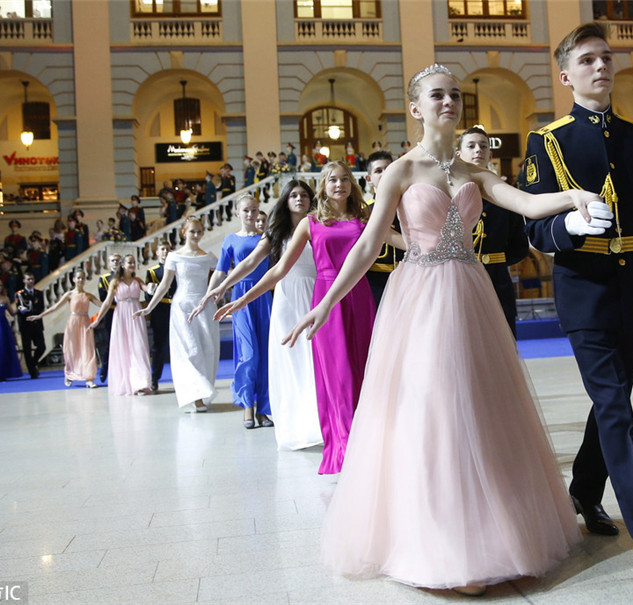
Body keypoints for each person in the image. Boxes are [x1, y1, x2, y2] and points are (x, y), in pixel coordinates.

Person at [282, 66, 606, 594]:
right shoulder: (401, 172)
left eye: (456, 94)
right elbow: (368, 245)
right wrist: (326, 304)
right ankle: (435, 541)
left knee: (478, 406)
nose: (450, 101)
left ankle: (491, 532)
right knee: (431, 408)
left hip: (471, 291)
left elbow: (523, 204)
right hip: (421, 297)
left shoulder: (474, 171)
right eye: (438, 95)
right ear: (416, 109)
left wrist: (573, 197)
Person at [521, 22, 633, 576]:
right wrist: (569, 225)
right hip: (584, 292)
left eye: (606, 58)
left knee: (612, 401)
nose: (602, 66)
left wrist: (625, 230)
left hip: (631, 288)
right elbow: (535, 230)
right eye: (588, 60)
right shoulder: (549, 141)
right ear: (567, 75)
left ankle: (584, 491)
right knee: (616, 407)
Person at [217, 162, 383, 472]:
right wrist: (242, 298)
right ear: (323, 185)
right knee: (338, 375)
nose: (339, 185)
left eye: (345, 179)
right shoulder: (310, 222)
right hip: (324, 299)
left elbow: (396, 241)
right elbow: (278, 269)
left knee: (364, 369)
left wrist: (434, 249)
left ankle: (369, 442)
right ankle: (347, 448)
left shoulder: (366, 217)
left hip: (359, 298)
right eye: (332, 179)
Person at [192, 180, 321, 449]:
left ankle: (318, 418)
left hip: (316, 293)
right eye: (294, 195)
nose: (299, 199)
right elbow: (249, 263)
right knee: (290, 357)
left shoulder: (320, 223)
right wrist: (218, 288)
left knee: (316, 359)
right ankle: (289, 420)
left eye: (304, 195)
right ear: (285, 200)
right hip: (286, 297)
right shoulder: (276, 231)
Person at [137, 217, 219, 412]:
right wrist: (149, 308)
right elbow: (165, 285)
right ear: (184, 233)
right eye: (192, 232)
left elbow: (223, 274)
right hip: (182, 307)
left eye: (199, 231)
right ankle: (195, 396)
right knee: (191, 350)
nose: (196, 235)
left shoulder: (208, 257)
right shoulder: (174, 257)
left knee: (207, 349)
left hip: (204, 306)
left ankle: (202, 392)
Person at [208, 194, 274, 428]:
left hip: (264, 296)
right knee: (248, 353)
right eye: (246, 210)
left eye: (254, 210)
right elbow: (220, 271)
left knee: (266, 354)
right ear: (237, 213)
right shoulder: (230, 240)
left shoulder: (267, 238)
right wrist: (210, 293)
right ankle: (248, 405)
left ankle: (264, 410)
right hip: (241, 298)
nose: (251, 214)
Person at [457, 126, 530, 336]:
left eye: (483, 146)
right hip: (462, 279)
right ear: (459, 154)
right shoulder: (449, 194)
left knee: (503, 338)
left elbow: (519, 245)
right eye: (471, 146)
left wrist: (495, 260)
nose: (478, 150)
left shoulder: (503, 195)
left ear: (491, 154)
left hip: (497, 280)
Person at [88, 255, 153, 396]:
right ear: (123, 265)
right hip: (121, 316)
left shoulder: (138, 280)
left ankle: (140, 383)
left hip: (135, 315)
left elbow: (146, 288)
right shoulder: (115, 282)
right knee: (124, 348)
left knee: (139, 347)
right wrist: (97, 319)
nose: (132, 265)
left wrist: (151, 288)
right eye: (130, 262)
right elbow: (106, 302)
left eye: (134, 262)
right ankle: (127, 383)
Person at [28, 269, 98, 388]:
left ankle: (89, 378)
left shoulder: (88, 295)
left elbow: (103, 305)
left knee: (87, 350)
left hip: (85, 322)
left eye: (83, 278)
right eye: (78, 278)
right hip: (73, 322)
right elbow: (55, 307)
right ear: (74, 279)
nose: (81, 280)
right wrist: (40, 316)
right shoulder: (69, 294)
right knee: (72, 349)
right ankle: (69, 374)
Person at [362, 150, 405, 306]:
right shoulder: (363, 211)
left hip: (407, 277)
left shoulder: (409, 207)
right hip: (375, 281)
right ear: (369, 178)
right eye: (378, 171)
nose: (385, 173)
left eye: (388, 168)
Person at [144, 241, 175, 392]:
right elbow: (148, 294)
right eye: (162, 249)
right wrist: (149, 291)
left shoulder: (177, 268)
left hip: (175, 307)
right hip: (160, 309)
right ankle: (155, 379)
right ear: (157, 252)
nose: (165, 252)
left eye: (168, 249)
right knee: (158, 345)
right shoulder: (152, 271)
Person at [95, 253, 122, 384]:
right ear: (109, 262)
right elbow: (103, 297)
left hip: (125, 312)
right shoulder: (104, 278)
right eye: (113, 260)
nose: (115, 262)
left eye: (118, 260)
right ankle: (104, 369)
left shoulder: (126, 276)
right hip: (111, 312)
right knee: (109, 343)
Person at [15, 272, 46, 379]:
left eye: (32, 279)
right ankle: (32, 372)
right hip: (26, 324)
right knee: (27, 349)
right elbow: (19, 308)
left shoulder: (38, 293)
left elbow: (41, 307)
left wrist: (34, 313)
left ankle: (33, 363)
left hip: (37, 323)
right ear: (24, 280)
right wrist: (24, 311)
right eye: (28, 279)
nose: (31, 281)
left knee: (42, 346)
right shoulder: (20, 294)